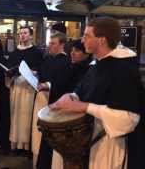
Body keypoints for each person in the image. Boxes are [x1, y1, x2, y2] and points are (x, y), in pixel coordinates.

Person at [49, 17, 145, 169]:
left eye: (87, 36)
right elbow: (83, 89)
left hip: (108, 148)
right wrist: (72, 96)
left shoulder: (123, 69)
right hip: (89, 141)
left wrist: (84, 107)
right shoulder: (98, 63)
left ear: (102, 40)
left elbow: (129, 119)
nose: (82, 40)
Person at [36, 32, 72, 169]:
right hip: (41, 99)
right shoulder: (48, 59)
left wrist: (48, 85)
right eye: (49, 43)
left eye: (53, 43)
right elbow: (42, 73)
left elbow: (63, 82)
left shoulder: (66, 61)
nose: (49, 46)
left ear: (62, 45)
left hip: (54, 103)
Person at [7, 26, 44, 153]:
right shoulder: (14, 53)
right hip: (16, 87)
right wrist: (10, 73)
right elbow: (9, 69)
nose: (22, 35)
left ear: (31, 35)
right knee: (16, 116)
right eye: (21, 33)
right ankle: (16, 143)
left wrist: (33, 72)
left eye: (25, 33)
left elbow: (41, 69)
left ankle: (27, 145)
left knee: (26, 117)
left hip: (29, 88)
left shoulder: (36, 52)